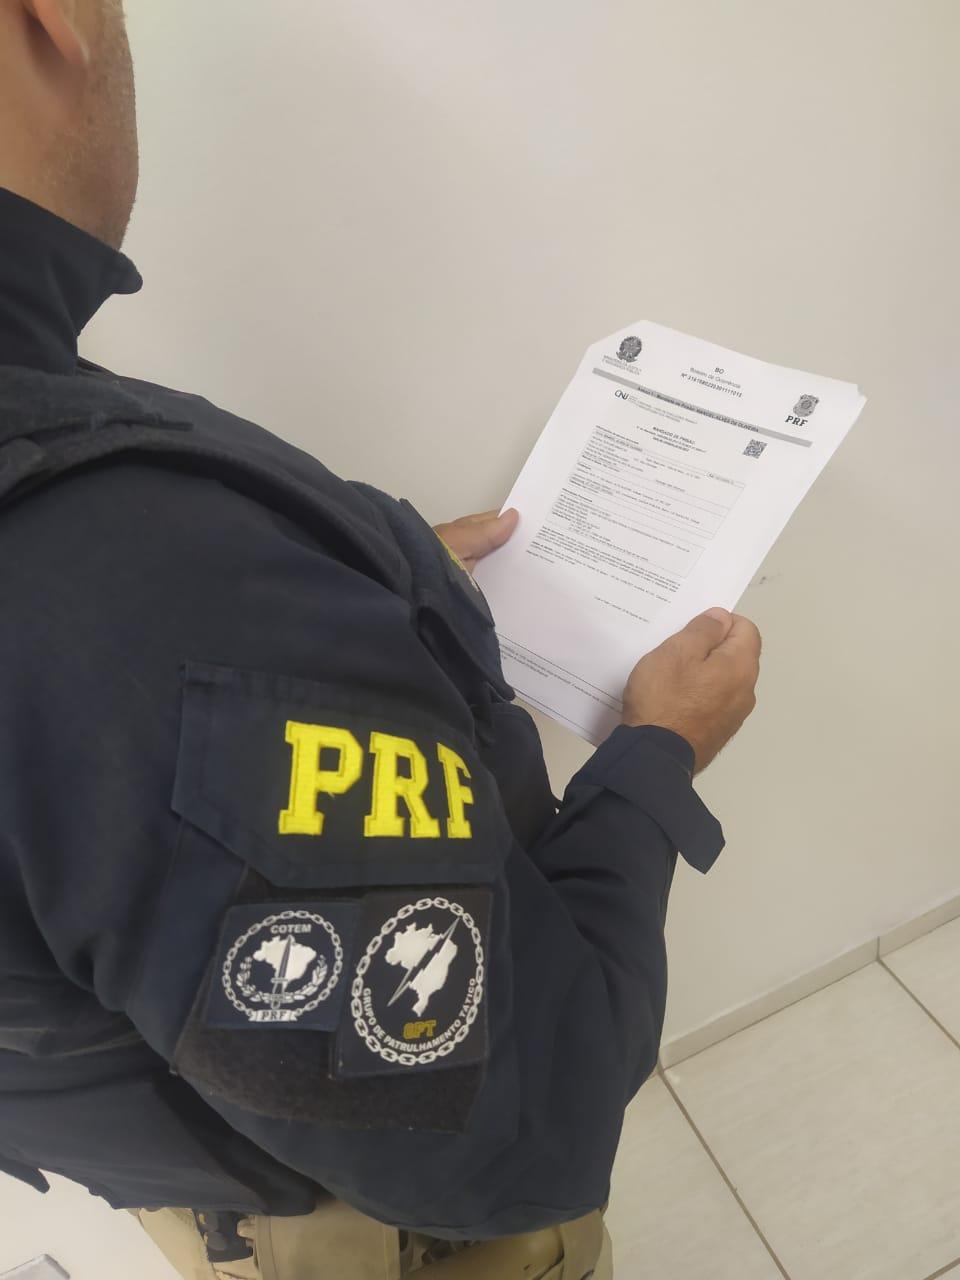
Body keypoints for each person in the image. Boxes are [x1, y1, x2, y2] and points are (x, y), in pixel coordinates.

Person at [0, 3, 762, 1278]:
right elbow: (532, 1121)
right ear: (51, 21)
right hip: (377, 1228)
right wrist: (655, 758)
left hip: (198, 1157)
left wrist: (362, 587)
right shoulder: (114, 569)